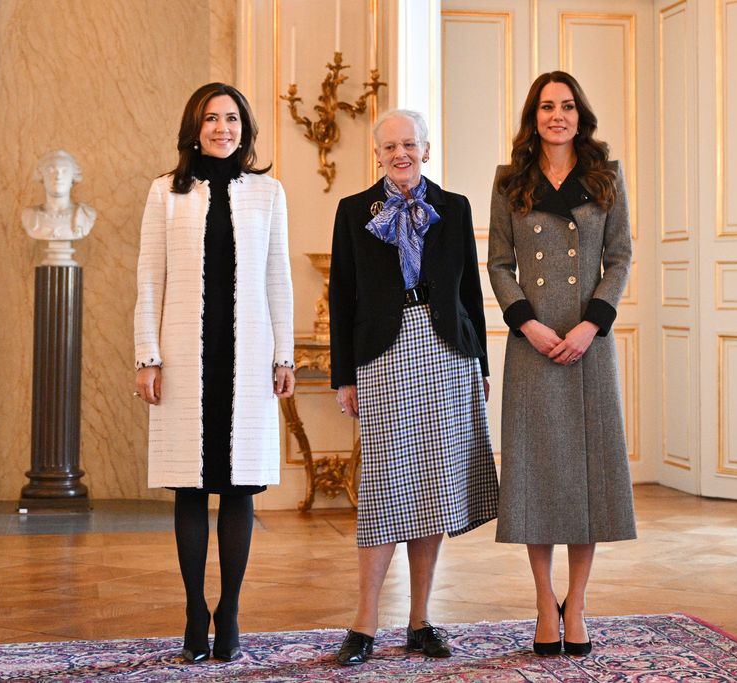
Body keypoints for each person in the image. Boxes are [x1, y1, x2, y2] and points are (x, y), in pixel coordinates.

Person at [328, 109, 499, 666]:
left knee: (434, 489)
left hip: (447, 352)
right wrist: (343, 375)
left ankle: (420, 620)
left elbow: (470, 291)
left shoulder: (455, 207)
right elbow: (343, 298)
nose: (400, 154)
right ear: (376, 154)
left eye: (409, 144)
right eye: (389, 147)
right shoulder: (354, 212)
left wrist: (482, 363)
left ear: (427, 148)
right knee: (383, 489)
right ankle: (363, 623)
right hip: (382, 355)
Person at [133, 82, 295, 663]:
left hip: (247, 357)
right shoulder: (165, 193)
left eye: (231, 119)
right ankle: (193, 611)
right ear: (193, 128)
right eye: (210, 119)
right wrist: (146, 356)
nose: (221, 128)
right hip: (183, 356)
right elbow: (150, 279)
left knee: (239, 486)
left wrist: (284, 355)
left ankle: (229, 611)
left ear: (244, 128)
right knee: (190, 485)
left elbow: (279, 277)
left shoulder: (268, 193)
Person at [487, 71, 636, 657]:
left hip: (588, 345)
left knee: (586, 480)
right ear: (534, 116)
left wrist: (590, 323)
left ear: (581, 114)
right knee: (537, 478)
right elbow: (499, 263)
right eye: (547, 107)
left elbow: (620, 257)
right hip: (533, 344)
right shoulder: (509, 182)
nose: (558, 116)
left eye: (568, 106)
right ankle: (543, 601)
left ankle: (577, 603)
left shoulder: (606, 176)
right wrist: (527, 322)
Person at [22, 149, 96, 241]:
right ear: (41, 175)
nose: (58, 176)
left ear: (73, 176)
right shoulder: (30, 215)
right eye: (51, 170)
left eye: (64, 171)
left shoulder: (85, 214)